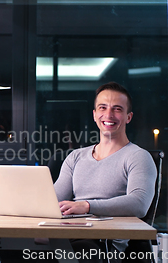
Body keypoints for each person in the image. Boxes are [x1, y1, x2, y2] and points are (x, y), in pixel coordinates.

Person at [54, 82, 157, 263]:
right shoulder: (75, 157)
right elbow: (54, 200)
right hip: (68, 233)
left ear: (128, 117)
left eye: (117, 109)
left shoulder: (139, 157)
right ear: (94, 115)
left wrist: (88, 205)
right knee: (15, 247)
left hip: (103, 244)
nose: (108, 115)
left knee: (79, 250)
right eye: (103, 108)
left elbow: (139, 203)